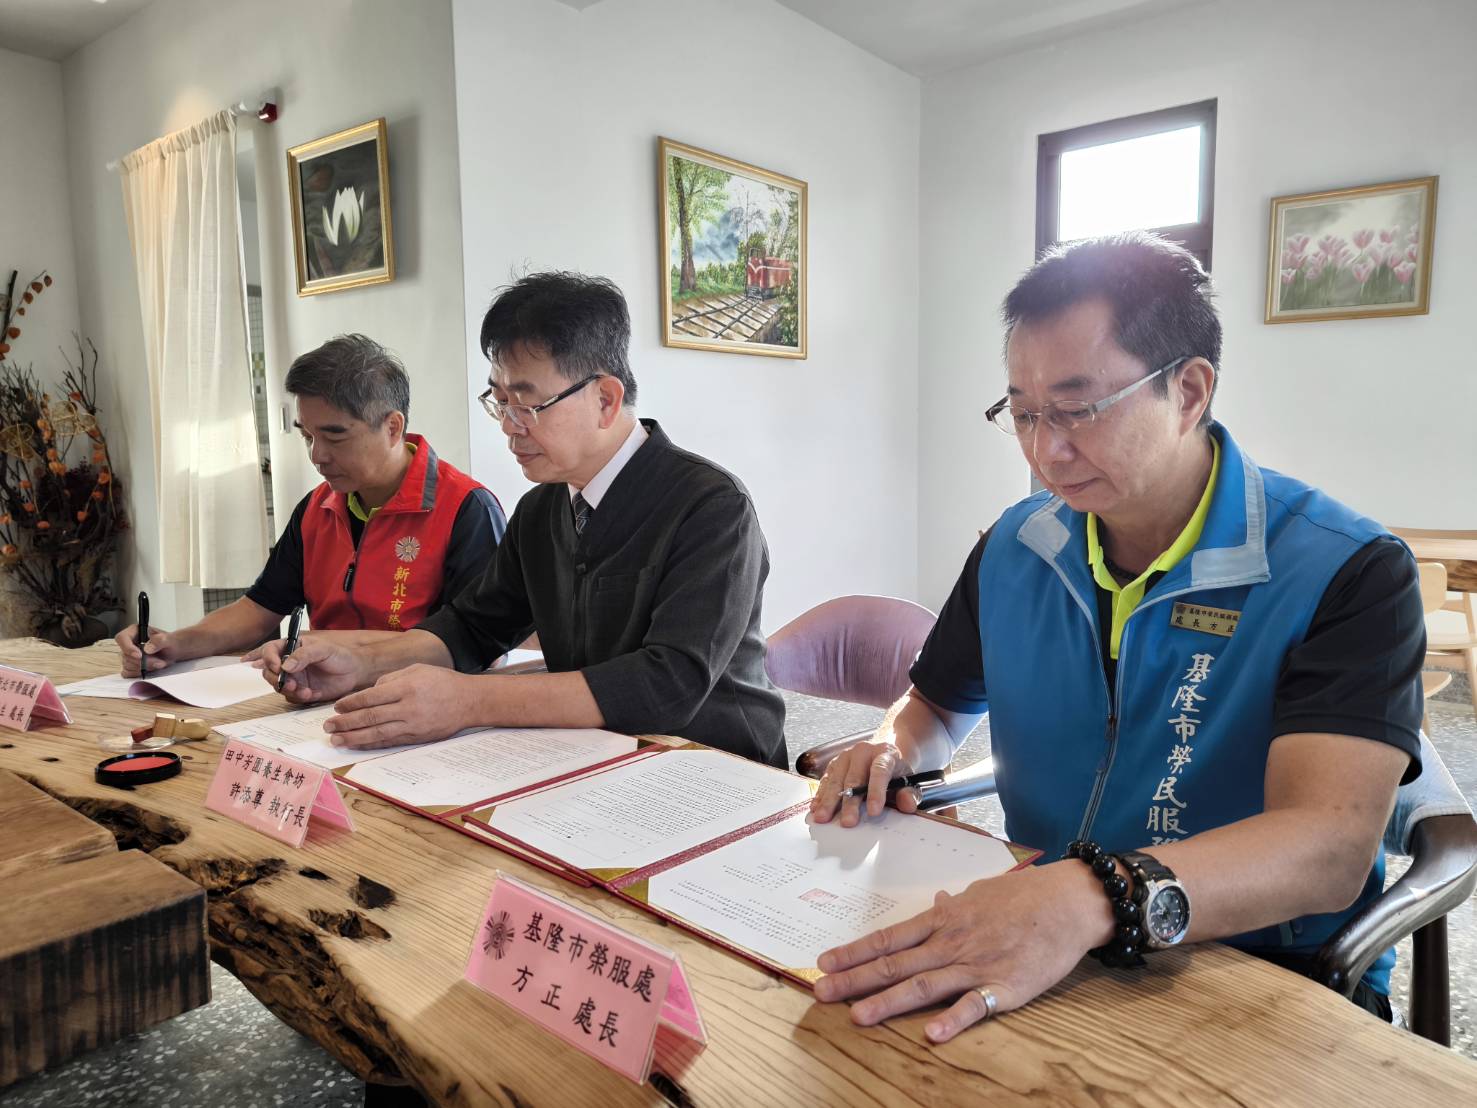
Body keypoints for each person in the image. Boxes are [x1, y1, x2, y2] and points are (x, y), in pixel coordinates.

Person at [808, 232, 1424, 1040]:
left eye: (1077, 409)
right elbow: (934, 702)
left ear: (1190, 391)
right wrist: (896, 746)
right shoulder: (1015, 546)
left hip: (1245, 966)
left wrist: (1091, 896)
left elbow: (1326, 846)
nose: (1044, 451)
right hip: (1041, 929)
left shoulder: (1343, 569)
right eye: (1023, 414)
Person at [256, 272, 786, 766]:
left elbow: (667, 684)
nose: (509, 428)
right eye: (500, 401)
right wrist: (363, 666)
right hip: (591, 758)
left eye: (527, 405)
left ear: (605, 399)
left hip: (713, 766)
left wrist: (470, 700)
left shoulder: (711, 507)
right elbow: (473, 626)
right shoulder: (543, 509)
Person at [116, 334, 505, 676]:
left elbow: (477, 646)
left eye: (335, 437)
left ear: (392, 427)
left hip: (419, 703)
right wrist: (173, 643)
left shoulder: (466, 509)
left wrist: (336, 650)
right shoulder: (318, 508)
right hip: (317, 688)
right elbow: (260, 610)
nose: (317, 456)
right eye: (307, 437)